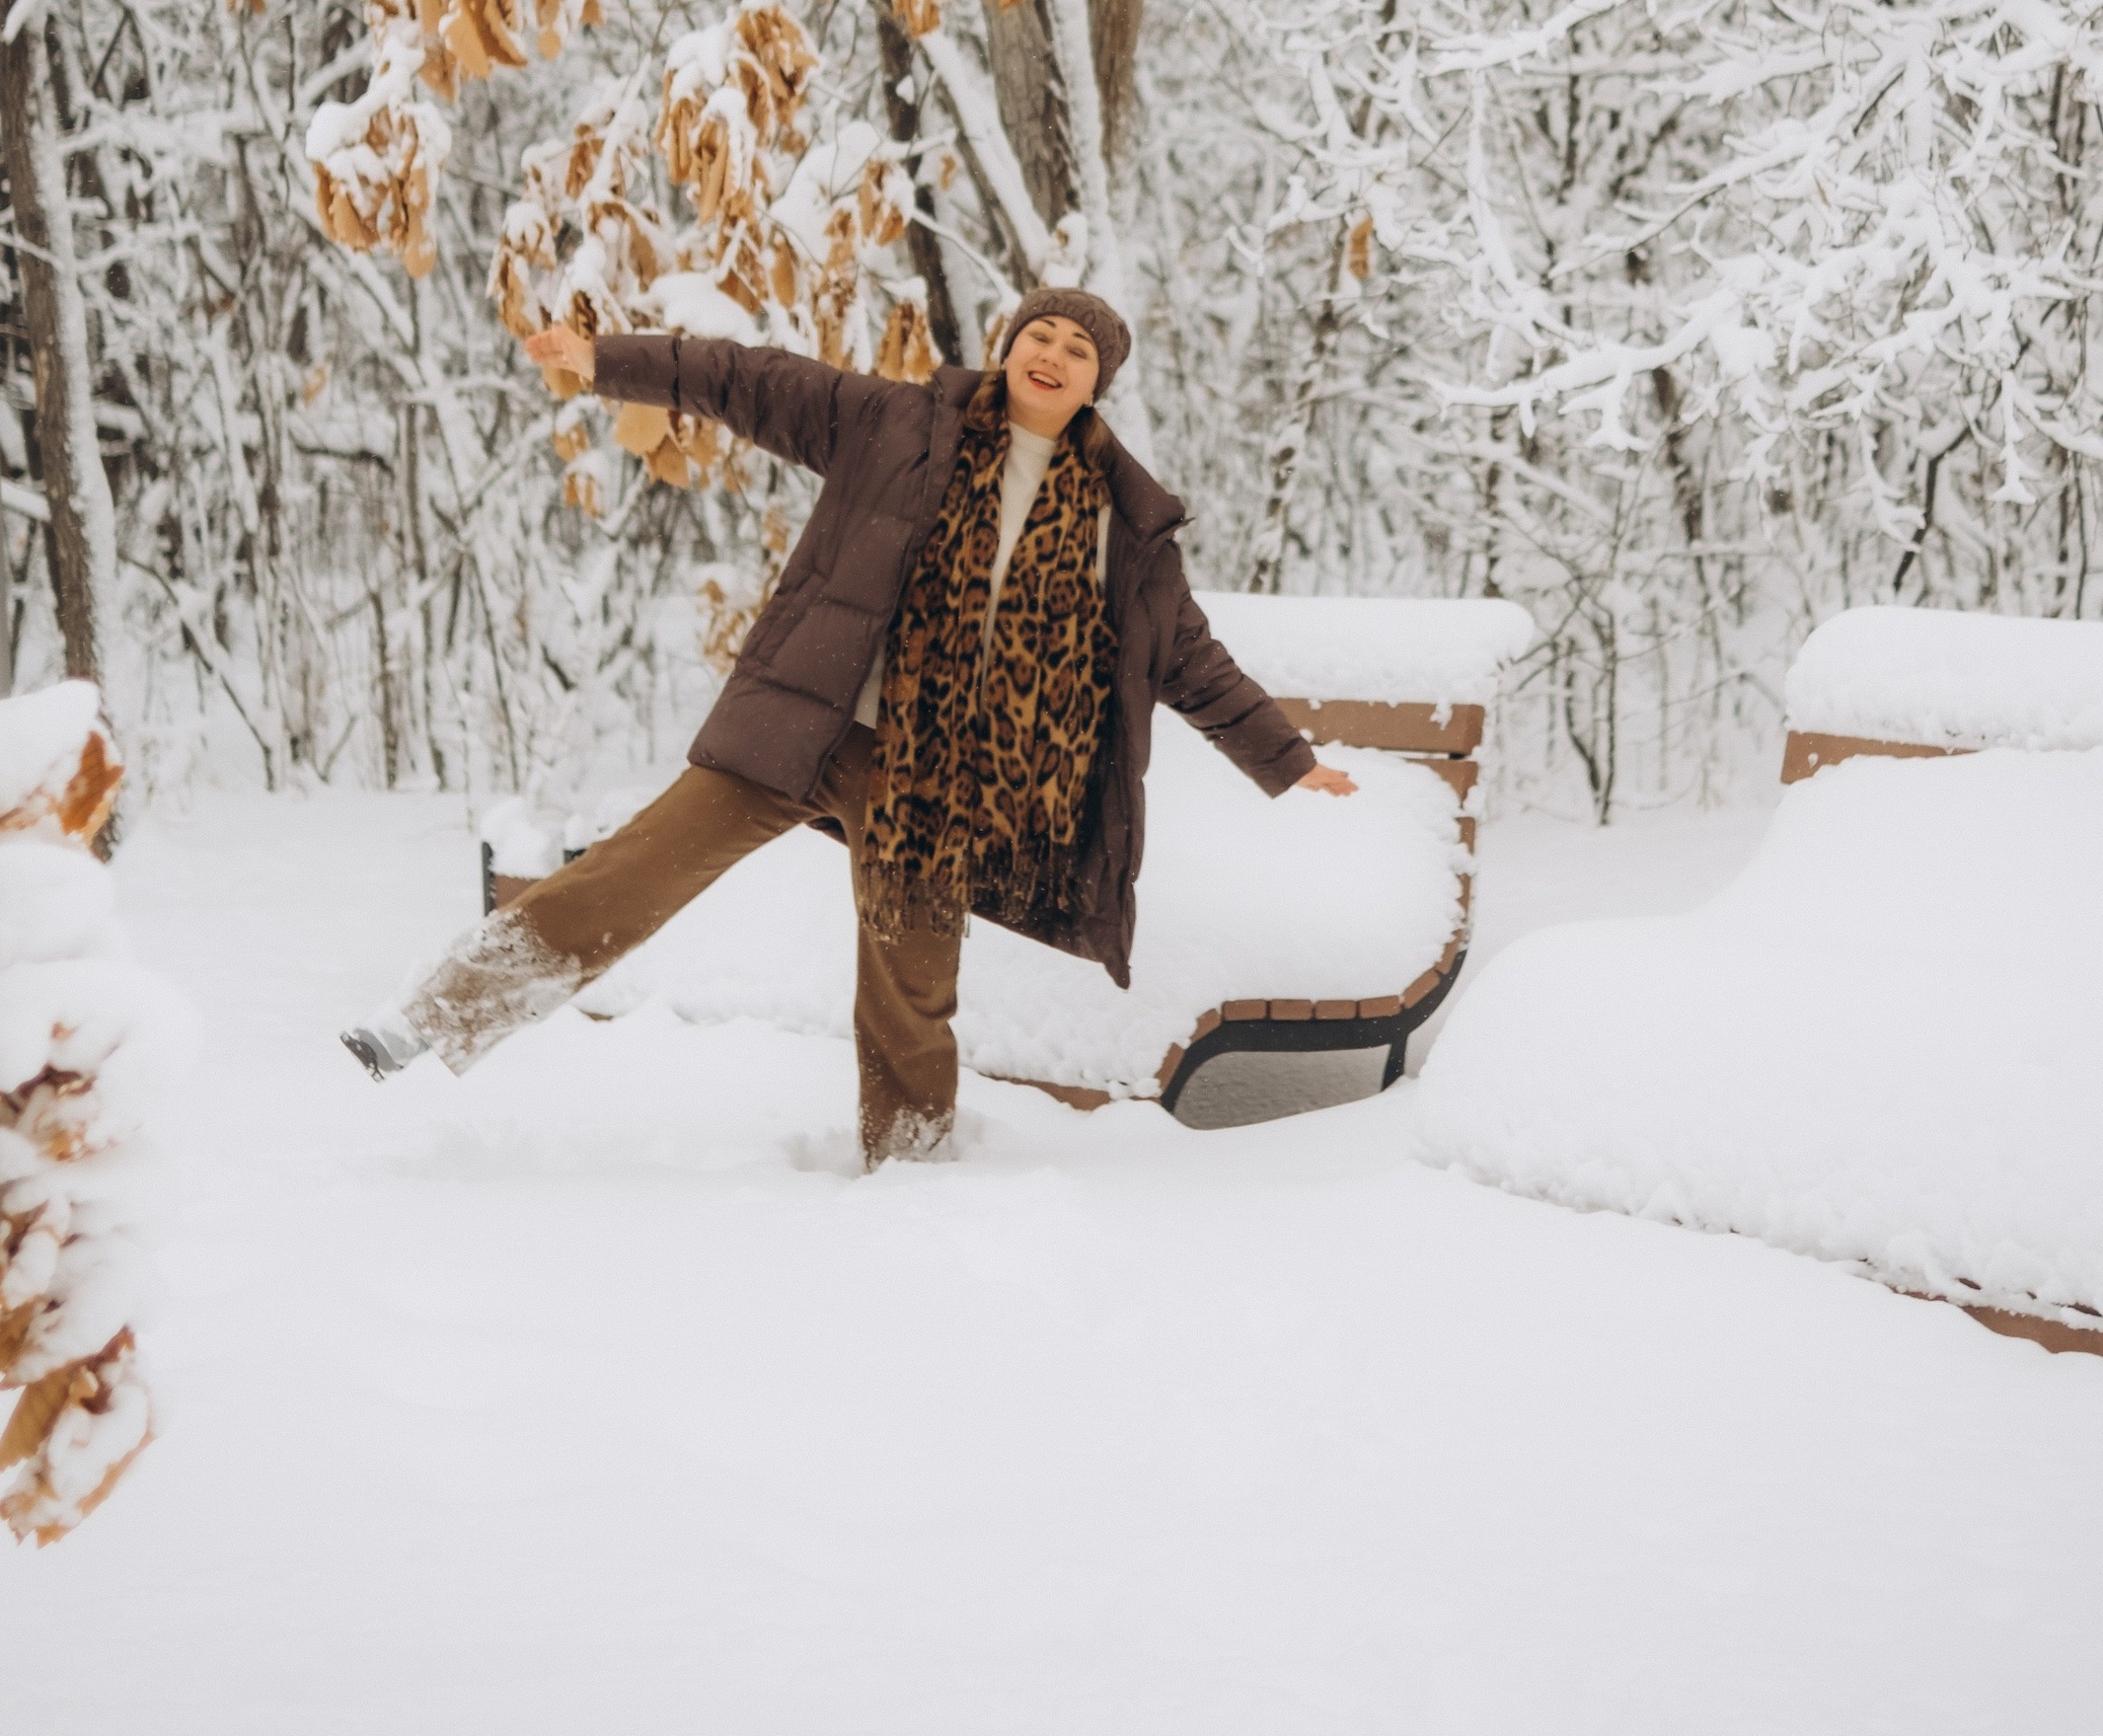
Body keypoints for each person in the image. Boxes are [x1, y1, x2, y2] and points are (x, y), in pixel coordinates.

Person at [341, 288, 1356, 1162]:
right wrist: (602, 359)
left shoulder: (1118, 524)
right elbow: (745, 379)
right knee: (630, 875)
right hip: (806, 725)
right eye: (1038, 334)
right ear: (1008, 350)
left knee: (913, 991)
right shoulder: (896, 423)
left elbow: (1187, 657)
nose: (1051, 354)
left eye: (1077, 348)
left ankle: (908, 1172)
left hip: (934, 782)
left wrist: (1285, 760)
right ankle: (427, 1017)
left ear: (1098, 382)